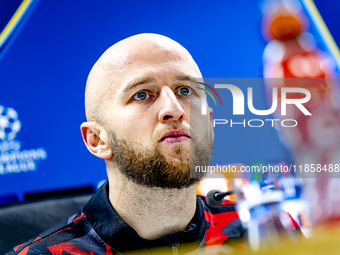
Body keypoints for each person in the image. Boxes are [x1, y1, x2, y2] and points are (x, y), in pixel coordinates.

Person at [7, 33, 301, 255]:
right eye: (142, 95)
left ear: (210, 122)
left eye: (185, 90)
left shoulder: (265, 233)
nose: (174, 109)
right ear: (97, 140)